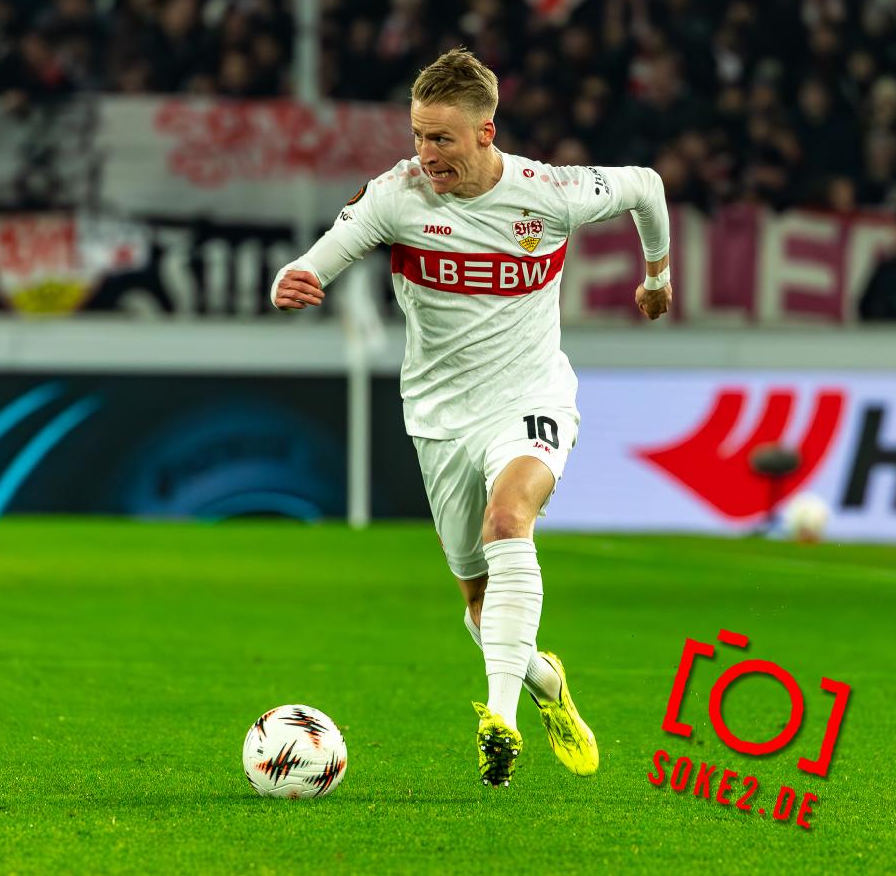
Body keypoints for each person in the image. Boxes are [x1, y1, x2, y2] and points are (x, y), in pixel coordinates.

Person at [271, 49, 672, 787]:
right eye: (418, 136)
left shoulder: (548, 192)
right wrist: (293, 279)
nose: (426, 155)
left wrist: (656, 275)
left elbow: (646, 186)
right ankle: (543, 680)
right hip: (439, 419)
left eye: (441, 139)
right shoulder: (396, 197)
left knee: (508, 520)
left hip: (530, 398)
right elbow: (317, 259)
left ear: (486, 132)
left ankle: (500, 719)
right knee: (478, 605)